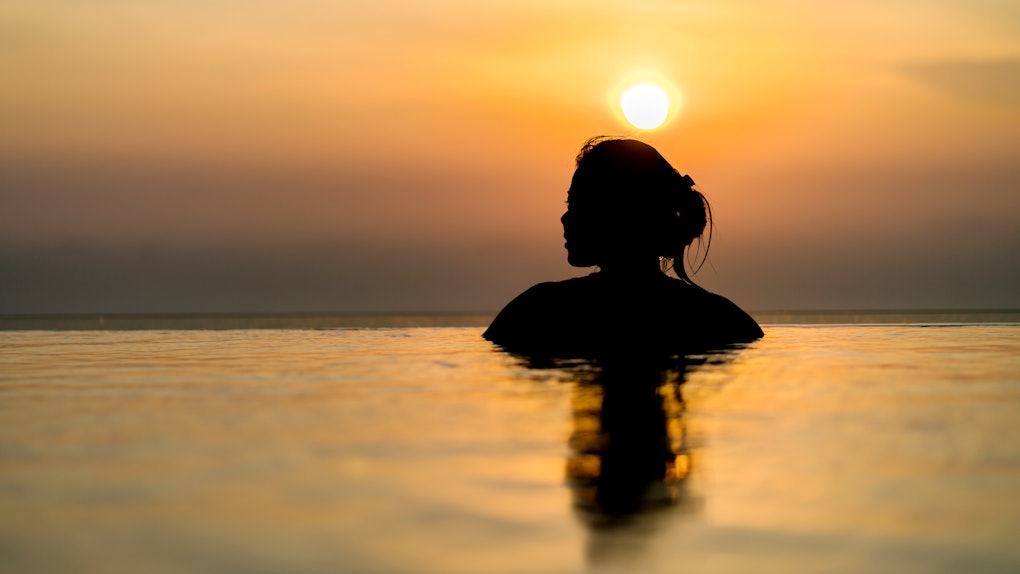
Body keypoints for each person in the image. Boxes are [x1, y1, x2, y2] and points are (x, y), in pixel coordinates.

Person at [483, 137, 763, 357]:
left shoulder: (537, 312)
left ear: (621, 212)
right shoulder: (721, 319)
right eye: (569, 205)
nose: (565, 217)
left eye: (579, 204)